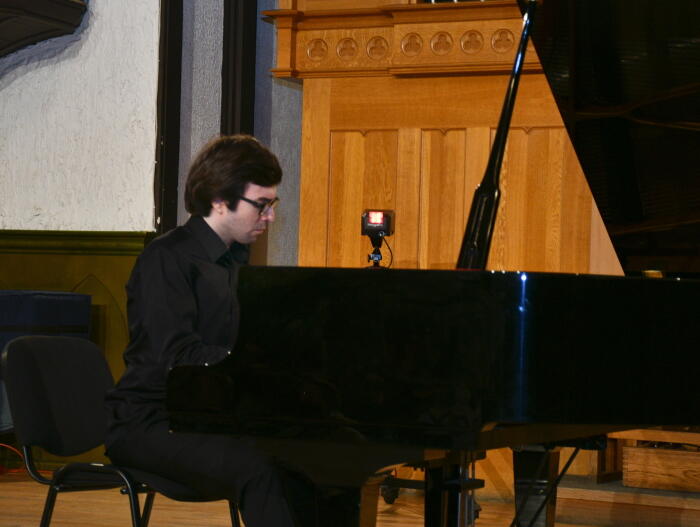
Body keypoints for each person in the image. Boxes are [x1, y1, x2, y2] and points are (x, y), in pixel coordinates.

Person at [104, 134, 297, 527]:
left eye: (272, 204)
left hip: (210, 412)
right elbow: (175, 356)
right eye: (261, 205)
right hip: (151, 420)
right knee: (259, 468)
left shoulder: (235, 262)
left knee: (308, 459)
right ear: (220, 200)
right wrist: (254, 368)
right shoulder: (165, 258)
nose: (270, 216)